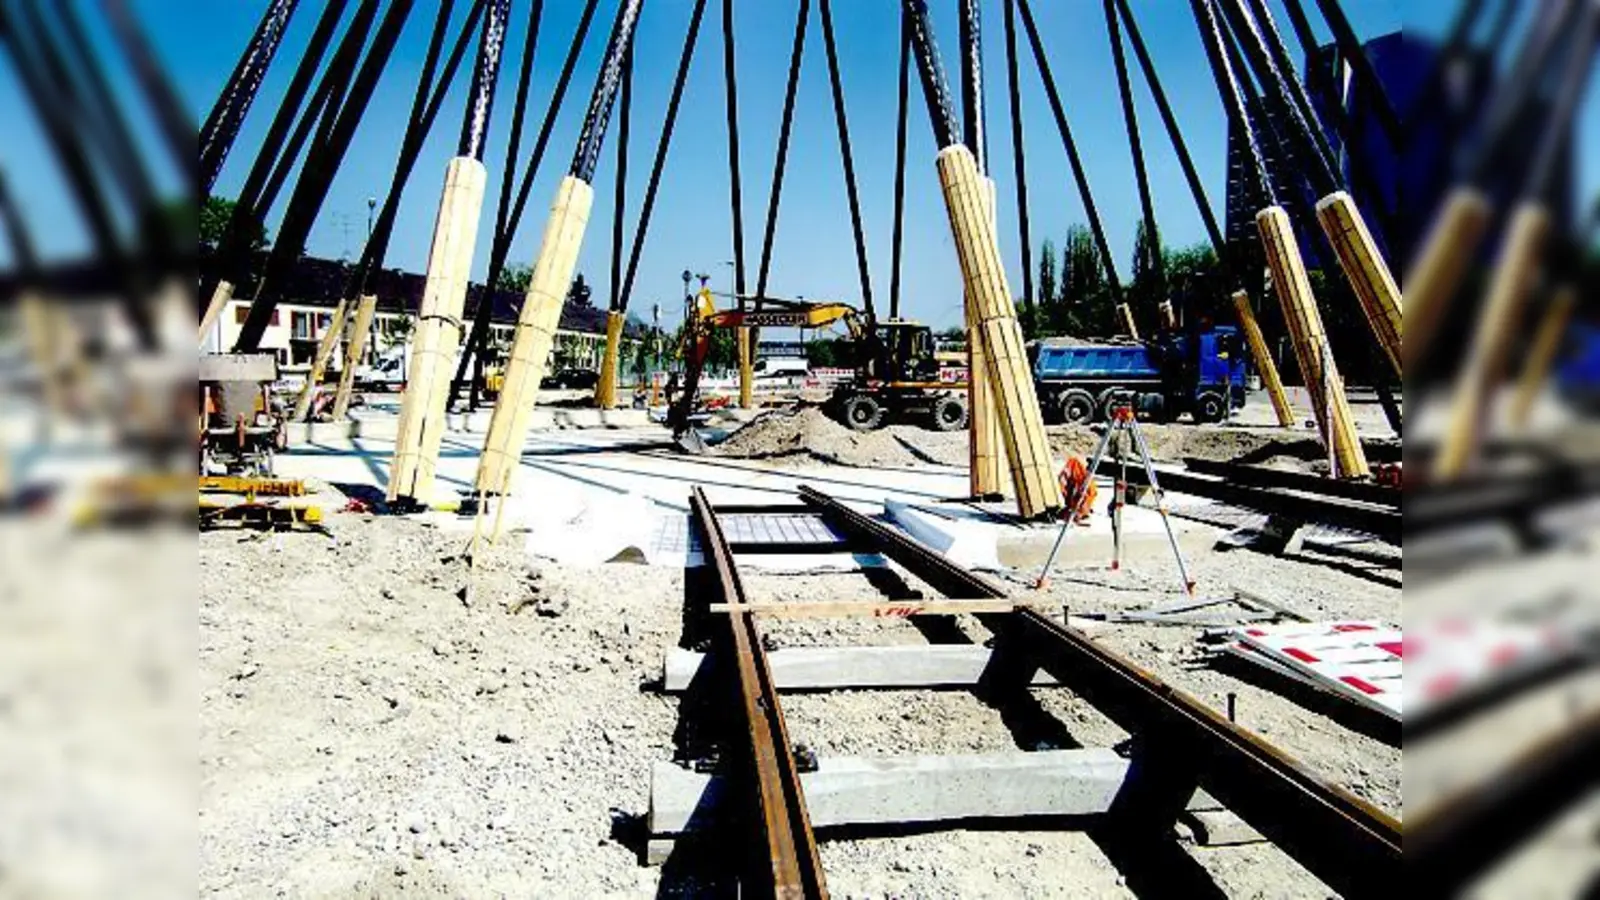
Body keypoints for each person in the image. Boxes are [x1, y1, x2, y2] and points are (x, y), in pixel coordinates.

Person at [1059, 454, 1097, 525]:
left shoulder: (1087, 487)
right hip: (1077, 493)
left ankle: (1078, 511)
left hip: (1083, 495)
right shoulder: (1072, 474)